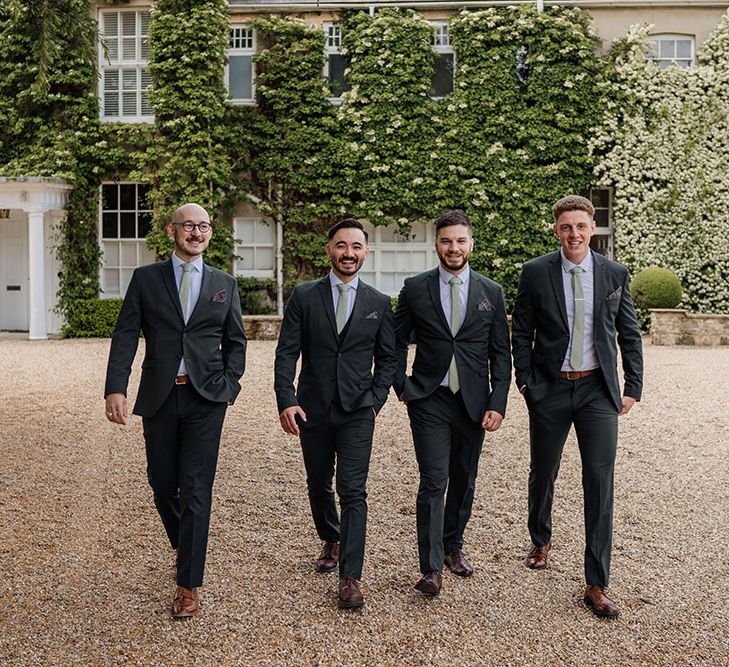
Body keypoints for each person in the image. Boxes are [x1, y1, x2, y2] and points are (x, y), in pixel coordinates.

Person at [104, 202, 246, 619]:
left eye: (203, 226)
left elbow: (236, 341)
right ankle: (185, 544)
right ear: (172, 232)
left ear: (209, 234)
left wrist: (228, 385)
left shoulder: (224, 283)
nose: (197, 233)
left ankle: (188, 584)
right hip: (160, 396)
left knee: (197, 488)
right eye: (189, 226)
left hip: (207, 399)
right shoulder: (146, 279)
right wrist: (116, 388)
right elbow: (126, 332)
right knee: (163, 484)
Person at [511, 194, 643, 618]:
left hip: (597, 393)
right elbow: (521, 332)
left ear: (592, 229)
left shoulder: (613, 273)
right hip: (549, 389)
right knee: (543, 470)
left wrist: (633, 386)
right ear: (556, 230)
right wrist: (527, 382)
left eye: (581, 227)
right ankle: (541, 539)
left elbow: (629, 334)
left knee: (600, 482)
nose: (574, 234)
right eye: (566, 227)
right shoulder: (535, 272)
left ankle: (596, 582)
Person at [274, 219, 396, 610]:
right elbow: (286, 352)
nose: (349, 253)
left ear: (365, 252)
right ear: (329, 250)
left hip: (359, 409)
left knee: (354, 490)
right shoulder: (304, 296)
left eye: (356, 246)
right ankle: (330, 534)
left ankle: (350, 576)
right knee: (318, 481)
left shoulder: (378, 302)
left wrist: (376, 400)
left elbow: (389, 359)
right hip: (312, 407)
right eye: (341, 246)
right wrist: (286, 398)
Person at [394, 209, 511, 596]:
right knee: (433, 480)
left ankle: (452, 546)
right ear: (436, 244)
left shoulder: (491, 292)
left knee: (464, 478)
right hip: (429, 397)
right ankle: (430, 568)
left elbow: (501, 354)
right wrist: (404, 387)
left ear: (471, 244)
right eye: (446, 240)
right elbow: (394, 343)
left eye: (460, 240)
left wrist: (497, 402)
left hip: (473, 402)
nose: (453, 247)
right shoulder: (415, 288)